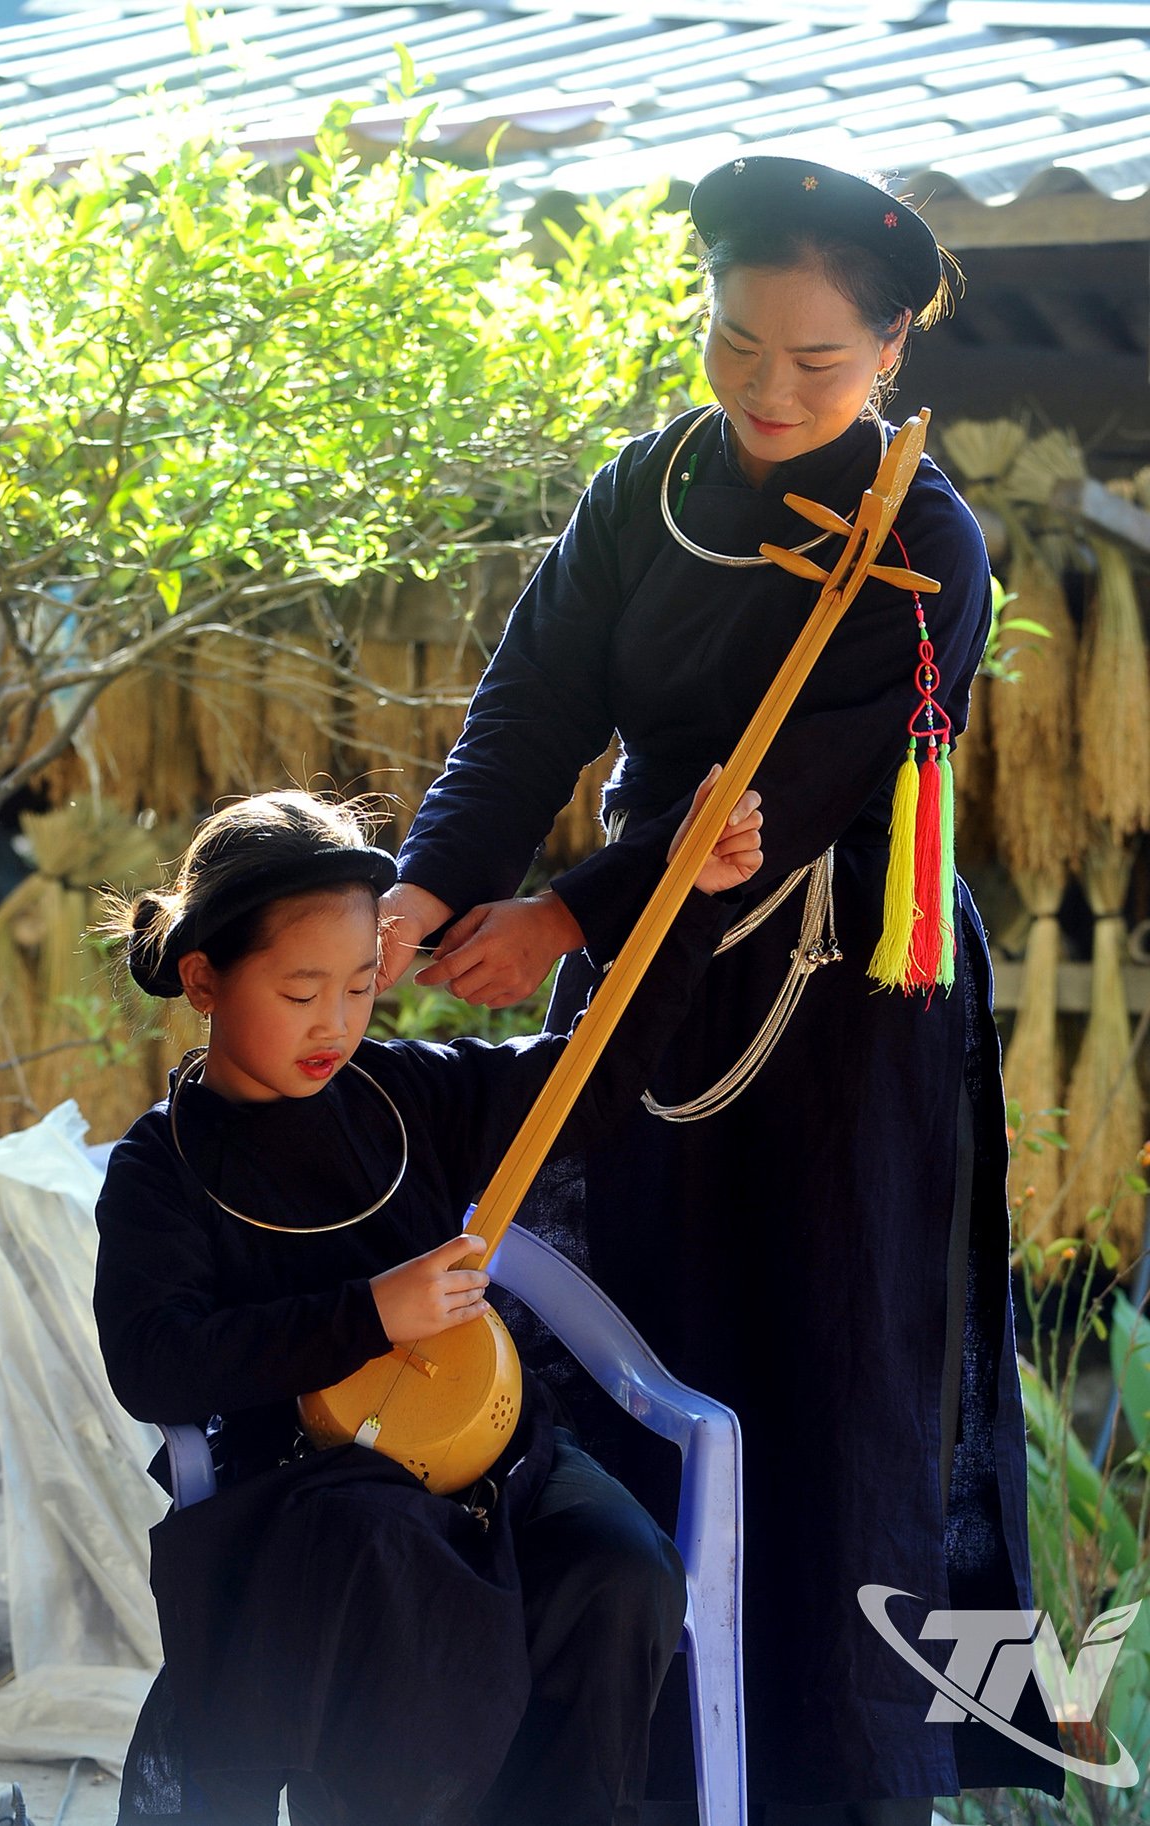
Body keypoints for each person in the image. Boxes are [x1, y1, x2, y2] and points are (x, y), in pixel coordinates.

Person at [380, 156, 1066, 1822]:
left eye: (818, 362)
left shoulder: (928, 547)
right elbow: (530, 706)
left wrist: (559, 918)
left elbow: (798, 800)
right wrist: (425, 889)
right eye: (734, 342)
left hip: (842, 1009)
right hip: (642, 985)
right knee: (622, 1342)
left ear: (895, 343)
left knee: (841, 1382)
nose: (767, 389)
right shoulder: (649, 488)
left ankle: (846, 1787)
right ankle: (625, 1772)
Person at [92, 779, 761, 1826]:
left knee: (621, 1570)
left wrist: (689, 898)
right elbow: (151, 1361)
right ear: (205, 976)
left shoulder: (400, 1095)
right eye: (303, 989)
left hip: (497, 1458)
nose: (337, 1022)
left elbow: (586, 1081)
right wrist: (370, 1312)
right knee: (399, 1587)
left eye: (361, 986)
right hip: (312, 1492)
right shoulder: (162, 1164)